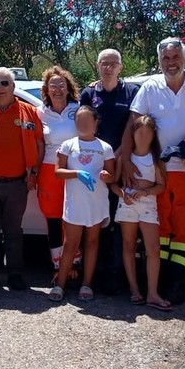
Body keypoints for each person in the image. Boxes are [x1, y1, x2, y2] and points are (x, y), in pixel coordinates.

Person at [124, 37, 185, 305]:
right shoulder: (150, 87)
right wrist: (126, 159)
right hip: (156, 168)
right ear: (159, 61)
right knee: (159, 222)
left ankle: (178, 279)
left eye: (176, 57)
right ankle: (158, 280)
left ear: (184, 58)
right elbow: (133, 124)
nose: (171, 62)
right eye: (166, 58)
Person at [0, 67, 45, 292]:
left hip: (17, 183)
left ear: (13, 86)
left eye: (4, 83)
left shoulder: (29, 112)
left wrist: (34, 173)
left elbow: (40, 144)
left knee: (14, 232)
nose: (0, 88)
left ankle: (15, 275)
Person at [81, 48, 140, 294]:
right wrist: (104, 157)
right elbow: (83, 127)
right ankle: (96, 274)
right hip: (96, 165)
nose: (108, 67)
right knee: (97, 219)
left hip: (123, 162)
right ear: (97, 66)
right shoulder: (88, 93)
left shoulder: (132, 92)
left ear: (120, 67)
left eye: (113, 63)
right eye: (104, 63)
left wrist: (117, 155)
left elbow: (136, 126)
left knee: (119, 219)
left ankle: (117, 275)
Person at [48, 105, 115, 302]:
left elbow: (112, 176)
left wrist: (107, 176)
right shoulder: (68, 145)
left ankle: (87, 284)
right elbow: (58, 172)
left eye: (86, 120)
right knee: (70, 244)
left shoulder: (105, 148)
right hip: (75, 203)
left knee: (92, 242)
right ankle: (60, 284)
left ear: (95, 122)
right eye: (79, 120)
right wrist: (77, 174)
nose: (82, 124)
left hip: (96, 203)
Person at [113, 115, 169, 311]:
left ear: (153, 135)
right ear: (133, 134)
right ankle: (134, 289)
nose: (143, 137)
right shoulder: (124, 158)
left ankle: (152, 293)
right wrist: (122, 194)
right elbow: (114, 183)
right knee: (128, 245)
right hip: (127, 204)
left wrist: (146, 192)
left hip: (148, 204)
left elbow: (161, 185)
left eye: (147, 133)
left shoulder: (155, 158)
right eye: (139, 133)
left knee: (153, 248)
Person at [37, 65, 80, 276]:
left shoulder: (78, 109)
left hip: (75, 169)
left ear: (68, 87)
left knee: (72, 218)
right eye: (52, 86)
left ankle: (75, 265)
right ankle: (58, 266)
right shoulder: (40, 112)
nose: (57, 89)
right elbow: (36, 144)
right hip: (49, 170)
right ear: (46, 90)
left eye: (61, 85)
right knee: (53, 218)